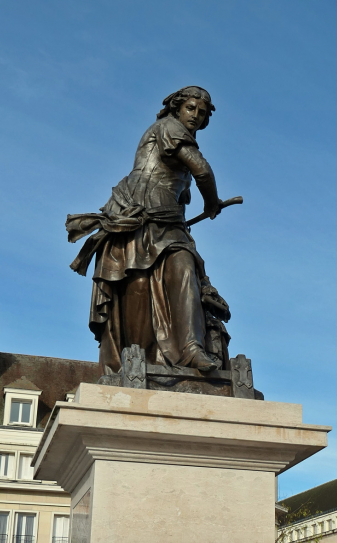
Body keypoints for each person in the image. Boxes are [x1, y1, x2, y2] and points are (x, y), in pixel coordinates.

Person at [67, 86, 231, 376]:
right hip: (136, 221)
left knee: (183, 266)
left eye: (201, 113)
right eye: (191, 109)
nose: (195, 116)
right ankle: (137, 360)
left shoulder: (177, 138)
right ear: (177, 109)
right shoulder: (168, 128)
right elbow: (202, 170)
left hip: (167, 225)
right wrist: (213, 202)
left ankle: (191, 349)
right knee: (138, 292)